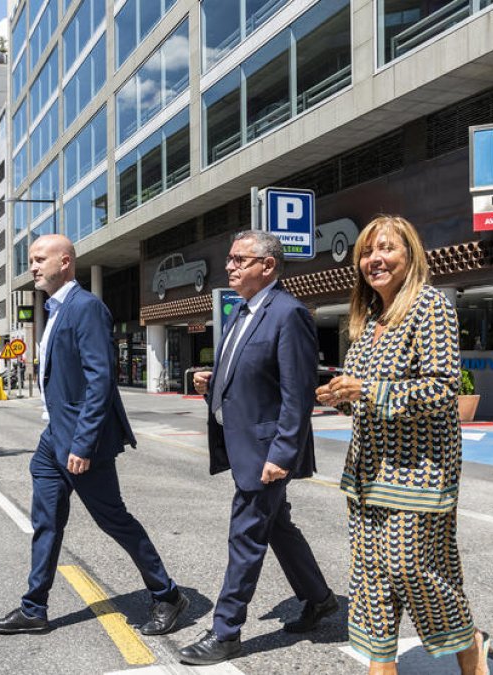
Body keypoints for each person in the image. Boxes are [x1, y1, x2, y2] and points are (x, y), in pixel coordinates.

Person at [0, 234, 188, 637]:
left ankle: (167, 594)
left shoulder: (86, 308)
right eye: (32, 260)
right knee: (46, 521)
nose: (34, 266)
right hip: (52, 438)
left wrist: (83, 443)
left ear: (66, 262)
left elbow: (101, 381)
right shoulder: (56, 309)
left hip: (80, 439)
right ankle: (34, 607)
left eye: (41, 259)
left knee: (113, 520)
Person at [315, 215, 488, 675]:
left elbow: (441, 387)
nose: (376, 260)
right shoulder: (368, 318)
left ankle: (468, 644)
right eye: (368, 253)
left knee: (414, 567)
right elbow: (365, 397)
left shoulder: (430, 306)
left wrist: (367, 391)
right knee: (371, 572)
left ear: (409, 254)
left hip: (420, 468)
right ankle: (381, 663)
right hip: (368, 472)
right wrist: (341, 398)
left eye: (387, 248)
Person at [180, 230, 338, 666]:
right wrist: (213, 383)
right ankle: (320, 598)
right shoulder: (241, 311)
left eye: (238, 260)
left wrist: (282, 455)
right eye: (229, 259)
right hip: (244, 443)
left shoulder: (289, 314)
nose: (229, 267)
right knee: (277, 528)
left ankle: (226, 632)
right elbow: (251, 372)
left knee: (246, 535)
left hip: (267, 451)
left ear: (267, 266)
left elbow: (297, 393)